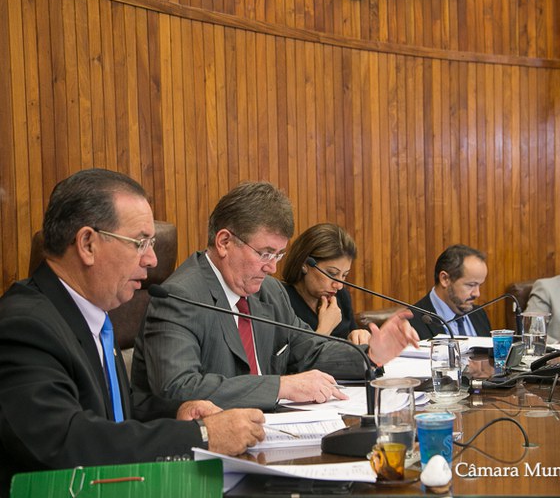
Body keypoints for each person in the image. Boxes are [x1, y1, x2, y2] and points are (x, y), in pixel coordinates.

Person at [0, 169, 265, 497]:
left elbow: (112, 411)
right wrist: (201, 435)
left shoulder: (91, 317)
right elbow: (64, 440)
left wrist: (177, 413)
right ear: (87, 244)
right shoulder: (24, 326)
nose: (152, 259)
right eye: (140, 242)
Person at [132, 182, 419, 411]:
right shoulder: (179, 297)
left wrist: (371, 355)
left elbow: (310, 351)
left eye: (278, 255)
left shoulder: (269, 291)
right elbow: (179, 387)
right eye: (265, 253)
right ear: (224, 242)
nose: (272, 267)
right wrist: (282, 386)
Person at [281, 223, 370, 344]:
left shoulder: (341, 296)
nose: (339, 285)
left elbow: (352, 341)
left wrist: (358, 336)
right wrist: (325, 329)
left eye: (344, 275)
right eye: (332, 273)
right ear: (304, 264)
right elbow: (291, 355)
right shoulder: (281, 300)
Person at [408, 244, 492, 340]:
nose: (477, 293)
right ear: (445, 279)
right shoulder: (412, 322)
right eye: (471, 285)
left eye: (479, 285)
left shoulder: (479, 314)